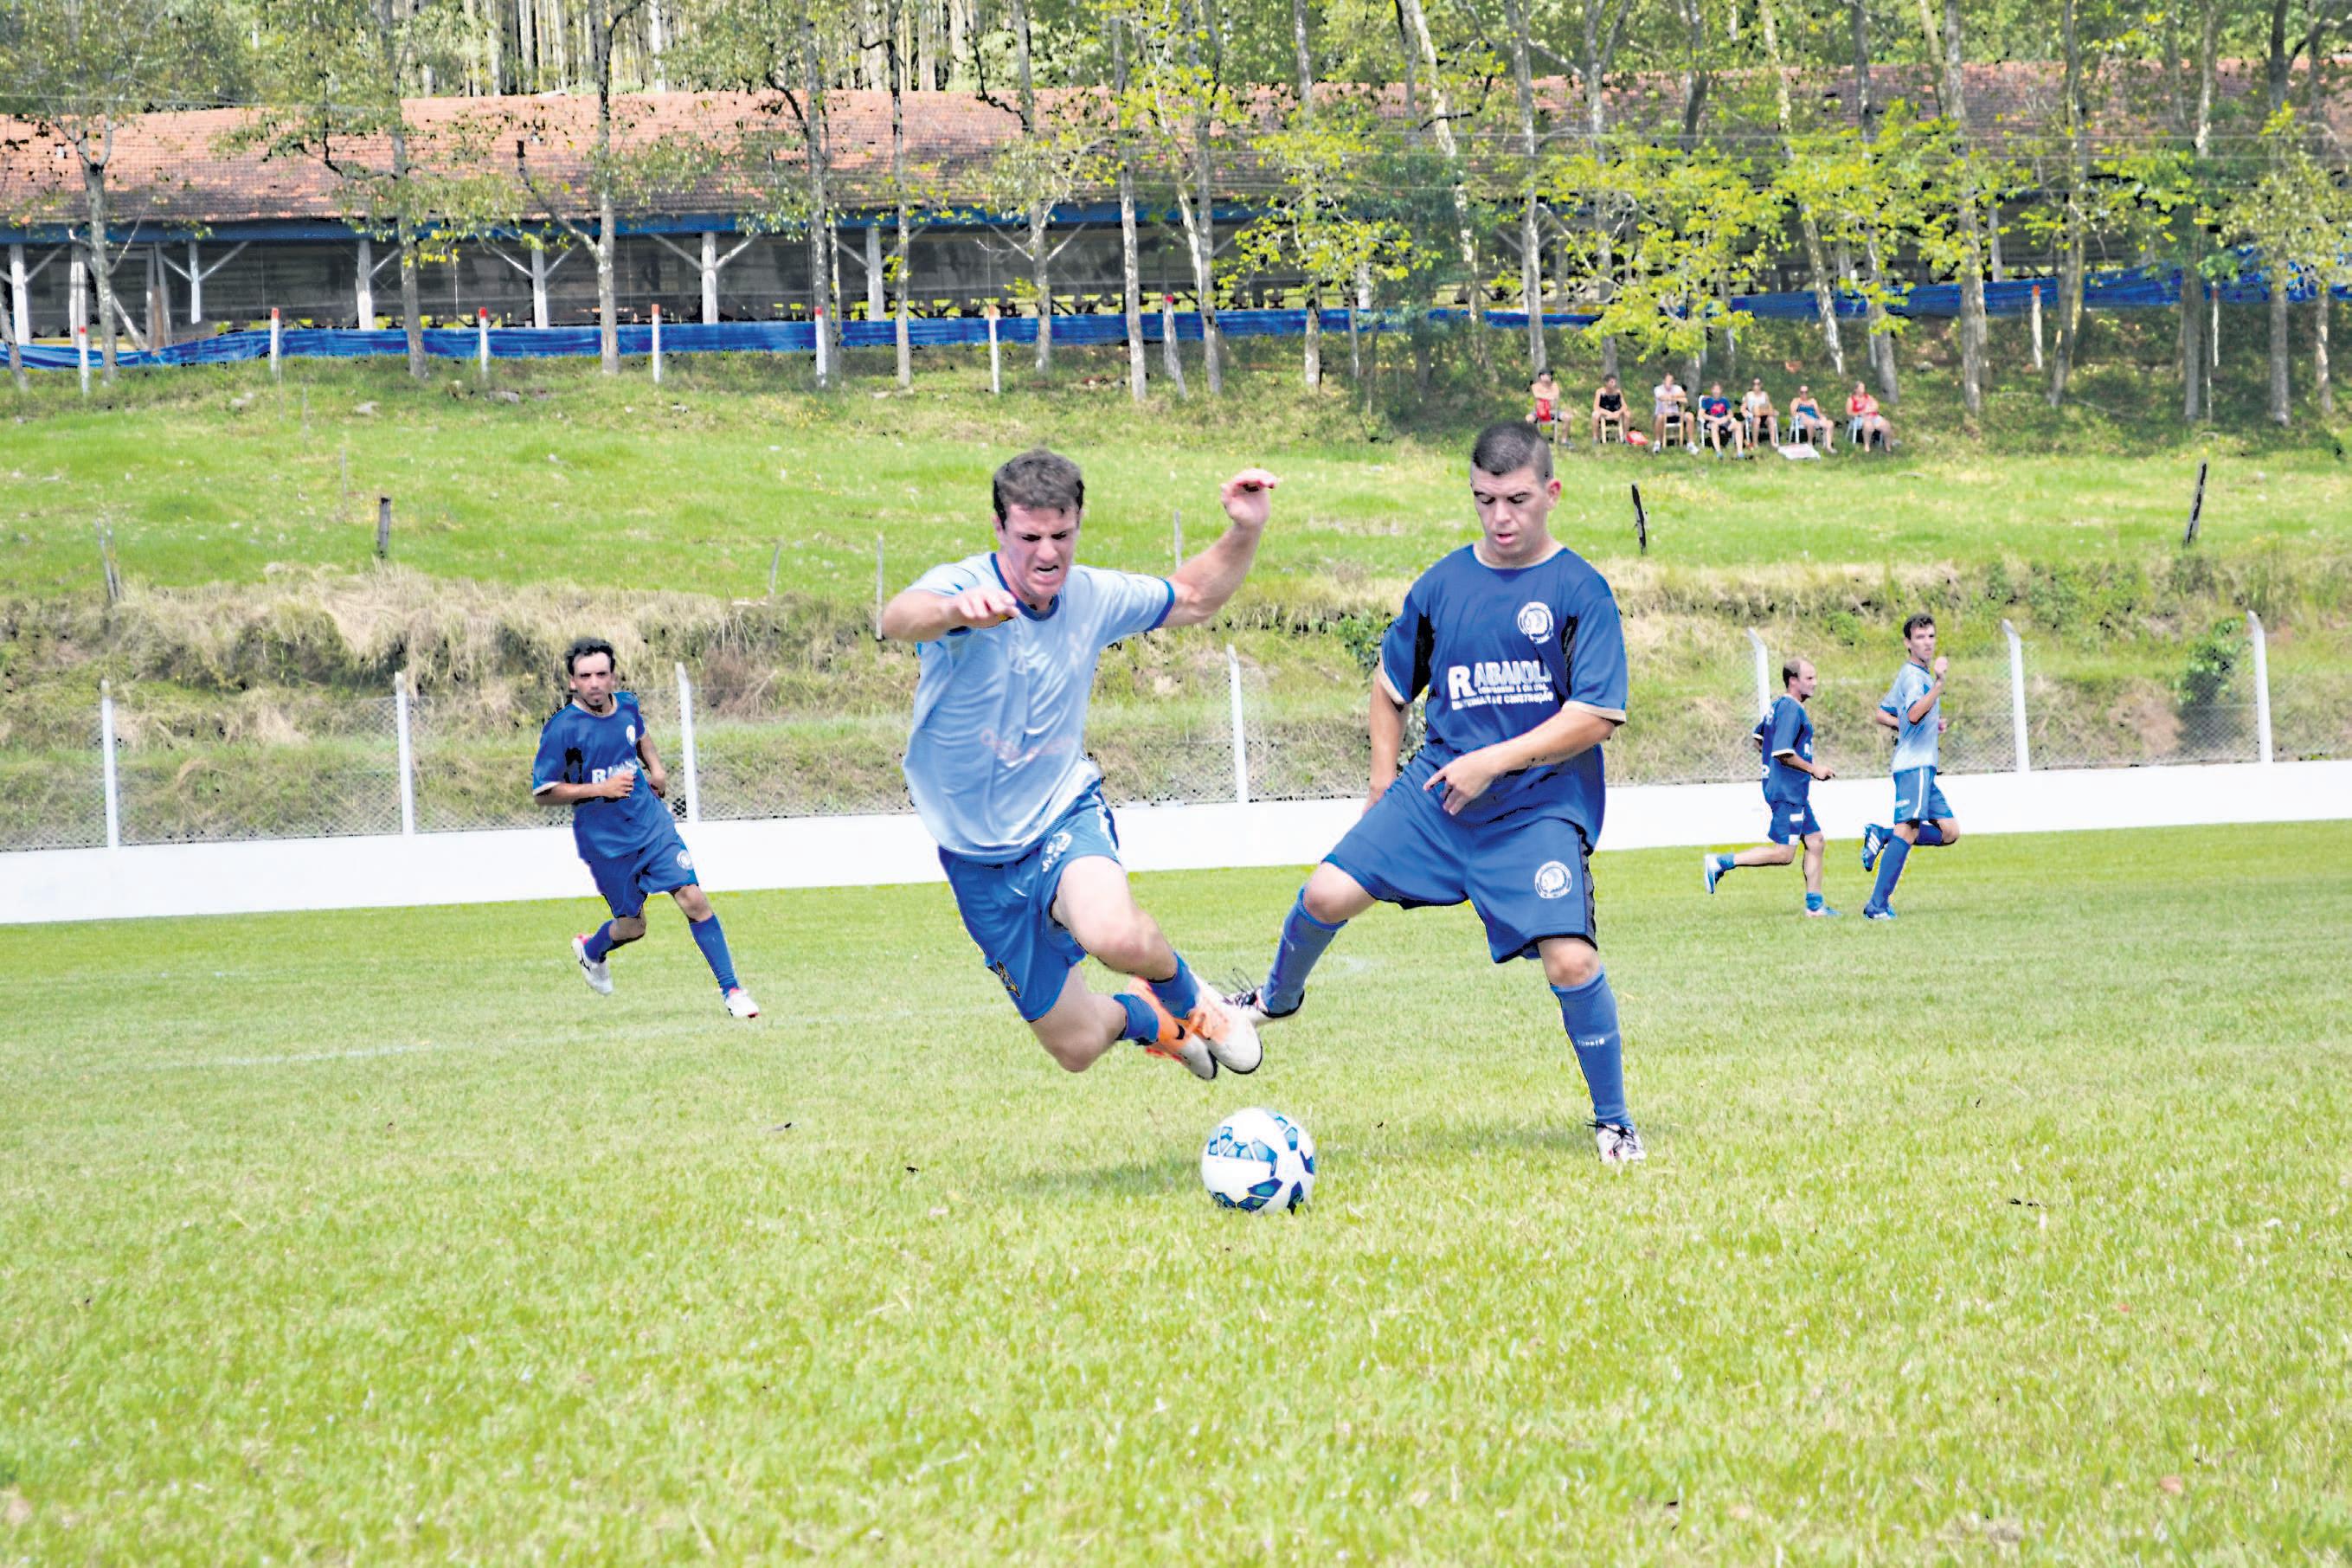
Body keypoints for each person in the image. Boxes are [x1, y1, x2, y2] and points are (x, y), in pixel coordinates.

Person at [1225, 422, 1646, 1166]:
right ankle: (1273, 1002)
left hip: (1538, 807)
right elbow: (1390, 690)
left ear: (1552, 493)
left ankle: (1614, 1124)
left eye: (1517, 500)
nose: (1500, 517)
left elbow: (1596, 716)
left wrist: (1495, 761)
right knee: (1325, 893)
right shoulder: (1442, 586)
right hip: (1437, 795)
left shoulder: (1580, 591)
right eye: (1485, 500)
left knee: (1571, 962)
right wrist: (1382, 785)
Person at [877, 447, 1276, 1080]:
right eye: (1029, 537)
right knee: (1079, 1046)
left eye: (1061, 536)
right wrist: (956, 611)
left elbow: (1195, 597)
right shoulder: (964, 587)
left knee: (1113, 935)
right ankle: (1150, 1017)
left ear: (1078, 526)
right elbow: (899, 617)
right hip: (977, 860)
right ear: (999, 528)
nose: (1047, 554)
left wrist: (1245, 528)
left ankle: (1196, 1004)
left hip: (1062, 814)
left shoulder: (1091, 595)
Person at [534, 638, 760, 1019]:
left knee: (693, 898)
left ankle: (733, 990)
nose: (594, 683)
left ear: (613, 676)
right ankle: (592, 950)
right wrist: (600, 789)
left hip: (651, 825)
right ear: (572, 682)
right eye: (585, 676)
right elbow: (544, 792)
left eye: (601, 674)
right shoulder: (562, 729)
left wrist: (656, 769)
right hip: (606, 844)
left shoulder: (626, 705)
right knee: (633, 926)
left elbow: (640, 736)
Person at [1703, 658, 1839, 916]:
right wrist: (1813, 769)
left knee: (1815, 841)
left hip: (1792, 791)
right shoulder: (1791, 709)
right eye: (1809, 678)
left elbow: (1759, 738)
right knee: (1784, 854)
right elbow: (1782, 752)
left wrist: (1774, 766)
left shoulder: (1778, 706)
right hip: (1788, 793)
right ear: (1793, 681)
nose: (1815, 683)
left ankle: (1815, 906)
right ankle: (1720, 862)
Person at [1858, 614, 1961, 919]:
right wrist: (1939, 686)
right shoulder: (1916, 677)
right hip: (1914, 766)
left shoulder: (1913, 674)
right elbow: (1914, 713)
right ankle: (1877, 905)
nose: (1927, 642)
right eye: (1920, 637)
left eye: (1931, 636)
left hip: (1923, 768)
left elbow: (1884, 714)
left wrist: (1930, 723)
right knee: (1908, 829)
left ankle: (1882, 834)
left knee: (1949, 831)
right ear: (1908, 643)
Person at [1697, 382, 1743, 457]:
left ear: (1721, 390)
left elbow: (1730, 414)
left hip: (1723, 421)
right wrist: (1714, 418)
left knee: (1738, 424)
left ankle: (1740, 452)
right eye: (1714, 389)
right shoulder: (1707, 400)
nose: (1716, 391)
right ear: (1712, 390)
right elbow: (1701, 414)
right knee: (1714, 426)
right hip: (1712, 421)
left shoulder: (1724, 400)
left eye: (1718, 389)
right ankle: (1719, 452)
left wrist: (1726, 418)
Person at [1847, 382, 1892, 451]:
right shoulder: (1851, 400)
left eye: (1864, 387)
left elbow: (1876, 405)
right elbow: (1849, 412)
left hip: (1873, 416)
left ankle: (1888, 448)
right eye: (1861, 388)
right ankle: (1867, 446)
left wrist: (1870, 410)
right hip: (1860, 418)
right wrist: (1859, 413)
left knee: (1886, 425)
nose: (1863, 389)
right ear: (1856, 389)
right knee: (1868, 425)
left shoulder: (1868, 397)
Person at [1790, 384, 1835, 452]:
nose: (1804, 394)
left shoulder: (1812, 401)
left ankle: (1828, 447)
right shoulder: (1796, 401)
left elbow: (1818, 413)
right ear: (1799, 392)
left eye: (1806, 392)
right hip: (1802, 420)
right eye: (1802, 392)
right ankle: (1810, 443)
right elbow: (1793, 413)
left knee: (1830, 423)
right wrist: (1801, 413)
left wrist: (1822, 417)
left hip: (1815, 419)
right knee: (1811, 422)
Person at [1652, 371, 1689, 451]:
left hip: (1675, 414)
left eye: (1671, 381)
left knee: (1690, 416)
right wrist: (1674, 398)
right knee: (1659, 417)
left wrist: (1672, 396)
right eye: (1667, 380)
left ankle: (1690, 443)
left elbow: (1683, 395)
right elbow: (1661, 397)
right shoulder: (1658, 389)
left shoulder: (1677, 388)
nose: (1669, 383)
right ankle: (1657, 442)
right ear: (1664, 381)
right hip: (1662, 414)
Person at [1741, 378, 1780, 449]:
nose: (1756, 386)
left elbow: (1769, 406)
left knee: (1771, 419)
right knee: (1757, 419)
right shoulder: (1749, 395)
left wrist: (1773, 411)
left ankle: (1773, 442)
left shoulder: (1765, 394)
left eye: (1758, 384)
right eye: (1754, 384)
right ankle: (1755, 443)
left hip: (1764, 415)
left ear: (1761, 385)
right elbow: (1743, 407)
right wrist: (1744, 412)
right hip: (1753, 416)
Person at [1590, 374, 1629, 444]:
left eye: (1615, 382)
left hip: (1616, 412)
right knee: (1594, 415)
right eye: (1612, 382)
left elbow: (1625, 406)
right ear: (1606, 383)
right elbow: (1596, 407)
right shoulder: (1600, 392)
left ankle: (1625, 437)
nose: (1614, 384)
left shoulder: (1618, 392)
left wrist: (1618, 412)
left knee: (1627, 414)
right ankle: (1595, 438)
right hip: (1604, 412)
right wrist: (1608, 413)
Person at [1527, 370, 1562, 446]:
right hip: (1539, 411)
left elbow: (1556, 396)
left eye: (1550, 375)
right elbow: (1537, 395)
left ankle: (1564, 440)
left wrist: (1544, 396)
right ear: (1541, 376)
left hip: (1553, 412)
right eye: (1547, 375)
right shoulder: (1535, 386)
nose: (1549, 377)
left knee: (1567, 417)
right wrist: (1549, 396)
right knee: (1528, 419)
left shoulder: (1554, 385)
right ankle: (1531, 440)